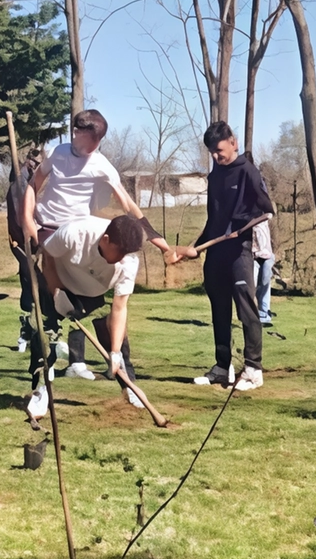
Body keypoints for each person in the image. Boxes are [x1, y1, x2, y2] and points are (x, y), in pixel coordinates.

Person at [19, 110, 170, 406]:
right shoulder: (59, 153)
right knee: (46, 321)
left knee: (108, 323)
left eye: (87, 141)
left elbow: (128, 206)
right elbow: (33, 185)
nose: (79, 144)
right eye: (76, 136)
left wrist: (162, 244)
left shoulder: (101, 167)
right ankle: (41, 390)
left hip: (77, 231)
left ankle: (129, 384)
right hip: (49, 231)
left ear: (98, 141)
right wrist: (27, 220)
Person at [172, 121, 274, 391]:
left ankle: (253, 369)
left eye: (219, 150)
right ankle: (222, 367)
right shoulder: (215, 177)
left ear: (233, 142)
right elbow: (214, 218)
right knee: (219, 311)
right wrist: (199, 246)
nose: (217, 156)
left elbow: (266, 210)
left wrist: (241, 228)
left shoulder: (248, 171)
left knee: (247, 310)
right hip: (215, 252)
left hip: (239, 251)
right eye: (212, 153)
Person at [28, 215, 148, 419]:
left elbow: (119, 308)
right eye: (119, 252)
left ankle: (129, 387)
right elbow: (47, 257)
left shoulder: (129, 261)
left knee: (114, 339)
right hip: (57, 282)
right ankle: (42, 390)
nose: (122, 258)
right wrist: (57, 290)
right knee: (44, 335)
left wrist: (115, 351)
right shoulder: (75, 233)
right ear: (106, 239)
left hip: (94, 294)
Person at [6, 151, 43, 353]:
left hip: (36, 242)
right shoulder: (19, 184)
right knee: (31, 284)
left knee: (37, 287)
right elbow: (21, 216)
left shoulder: (33, 183)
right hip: (22, 242)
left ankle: (40, 332)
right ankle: (27, 332)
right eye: (34, 162)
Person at [252, 220, 275, 326]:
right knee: (253, 283)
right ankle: (257, 313)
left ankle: (265, 313)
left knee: (265, 282)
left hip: (267, 256)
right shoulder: (247, 224)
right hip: (254, 257)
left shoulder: (264, 221)